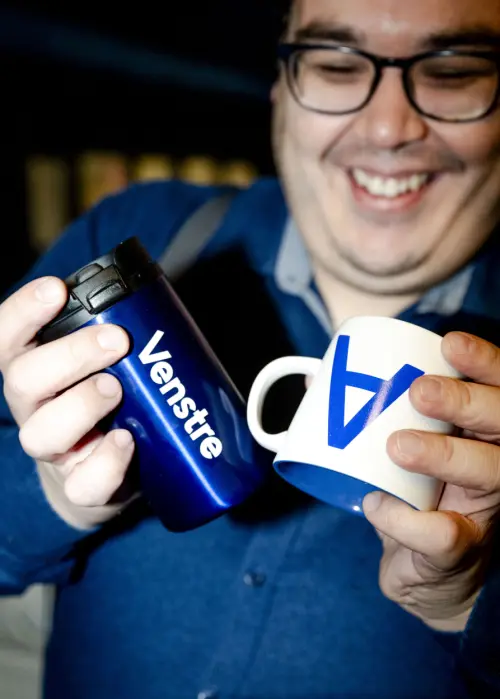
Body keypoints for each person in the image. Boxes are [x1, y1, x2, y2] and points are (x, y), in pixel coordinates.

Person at [1, 0, 500, 696]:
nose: (388, 128)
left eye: (452, 71)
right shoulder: (141, 233)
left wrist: (473, 609)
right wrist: (51, 494)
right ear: (280, 91)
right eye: (336, 64)